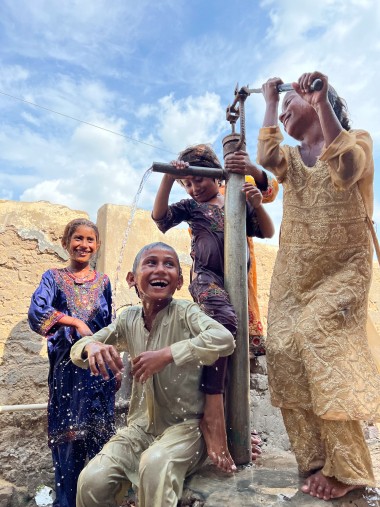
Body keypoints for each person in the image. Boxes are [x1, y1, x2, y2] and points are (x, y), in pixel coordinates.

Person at [257, 70, 380, 501]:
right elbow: (268, 155)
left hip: (344, 268)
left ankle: (349, 468)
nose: (286, 114)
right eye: (283, 111)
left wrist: (322, 100)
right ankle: (313, 459)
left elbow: (346, 169)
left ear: (316, 102)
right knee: (285, 349)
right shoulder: (290, 159)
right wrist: (271, 101)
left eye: (292, 105)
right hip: (295, 274)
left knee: (316, 336)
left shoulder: (357, 140)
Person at [70, 242, 235, 507]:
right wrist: (92, 345)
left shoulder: (186, 313)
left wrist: (169, 354)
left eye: (169, 264)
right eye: (151, 263)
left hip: (186, 430)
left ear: (179, 281)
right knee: (92, 480)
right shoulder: (128, 320)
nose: (161, 269)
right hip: (139, 430)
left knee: (155, 464)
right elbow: (78, 348)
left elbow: (224, 339)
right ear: (132, 279)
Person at [152, 145, 275, 472]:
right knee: (221, 323)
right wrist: (168, 178)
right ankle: (212, 414)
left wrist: (256, 204)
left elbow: (266, 230)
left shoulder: (234, 198)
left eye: (198, 181)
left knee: (232, 351)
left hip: (237, 284)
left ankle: (237, 432)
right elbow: (160, 219)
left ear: (215, 173)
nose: (194, 188)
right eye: (188, 183)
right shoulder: (192, 207)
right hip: (207, 279)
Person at [28, 218, 116, 507]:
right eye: (77, 238)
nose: (84, 245)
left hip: (99, 372)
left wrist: (115, 366)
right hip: (67, 374)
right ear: (66, 243)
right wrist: (75, 321)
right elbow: (37, 312)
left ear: (97, 245)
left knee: (100, 440)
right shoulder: (52, 277)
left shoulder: (103, 282)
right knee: (69, 441)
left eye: (90, 240)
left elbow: (109, 325)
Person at [223, 151, 279, 357]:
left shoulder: (240, 181)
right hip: (209, 268)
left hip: (239, 261)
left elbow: (272, 190)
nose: (192, 186)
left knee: (241, 300)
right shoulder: (197, 195)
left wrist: (252, 169)